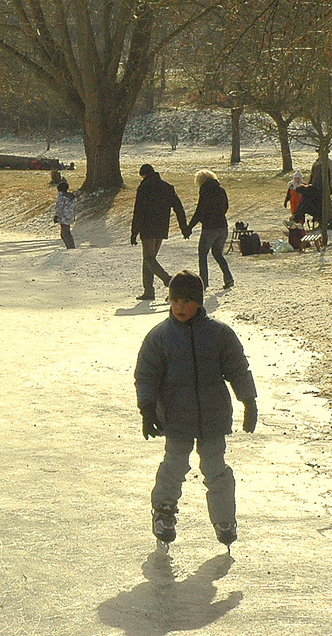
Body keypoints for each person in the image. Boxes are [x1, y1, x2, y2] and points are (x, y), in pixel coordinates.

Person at [136, 270, 257, 546]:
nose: (180, 307)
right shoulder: (160, 337)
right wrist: (147, 408)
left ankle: (225, 519)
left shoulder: (219, 334)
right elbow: (146, 375)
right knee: (175, 464)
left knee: (215, 467)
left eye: (187, 301)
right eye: (175, 300)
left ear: (199, 303)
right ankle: (164, 512)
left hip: (213, 415)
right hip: (176, 417)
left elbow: (238, 368)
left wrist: (248, 400)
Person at [130, 164, 188, 301]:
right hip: (161, 228)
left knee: (149, 258)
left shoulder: (144, 187)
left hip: (148, 227)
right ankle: (148, 291)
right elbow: (178, 208)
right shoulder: (167, 187)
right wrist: (183, 227)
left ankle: (168, 280)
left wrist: (134, 231)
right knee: (149, 259)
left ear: (144, 175)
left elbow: (139, 210)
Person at [191, 170, 232, 290]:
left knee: (203, 255)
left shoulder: (205, 191)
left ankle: (203, 282)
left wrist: (190, 227)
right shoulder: (221, 190)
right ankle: (228, 277)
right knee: (217, 253)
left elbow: (200, 210)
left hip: (210, 228)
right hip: (223, 226)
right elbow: (225, 207)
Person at [53, 179, 77, 249]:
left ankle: (71, 248)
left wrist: (57, 216)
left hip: (63, 216)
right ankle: (70, 247)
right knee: (65, 232)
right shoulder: (72, 196)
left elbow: (60, 207)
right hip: (70, 216)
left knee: (65, 233)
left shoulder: (61, 196)